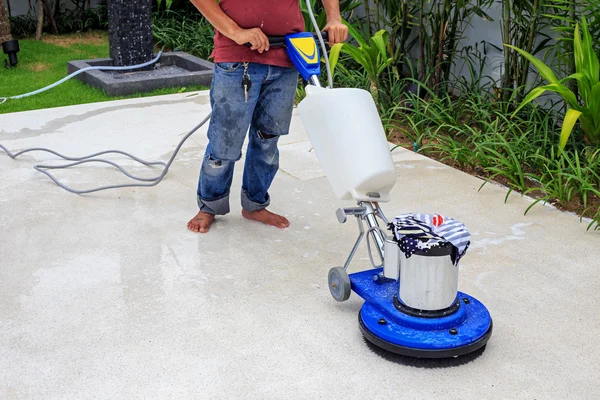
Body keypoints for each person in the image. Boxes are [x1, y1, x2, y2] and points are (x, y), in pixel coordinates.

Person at [187, 0, 348, 233]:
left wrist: (334, 18)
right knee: (224, 143)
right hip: (237, 59)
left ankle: (254, 204)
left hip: (288, 55)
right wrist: (236, 32)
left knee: (268, 139)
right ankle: (209, 205)